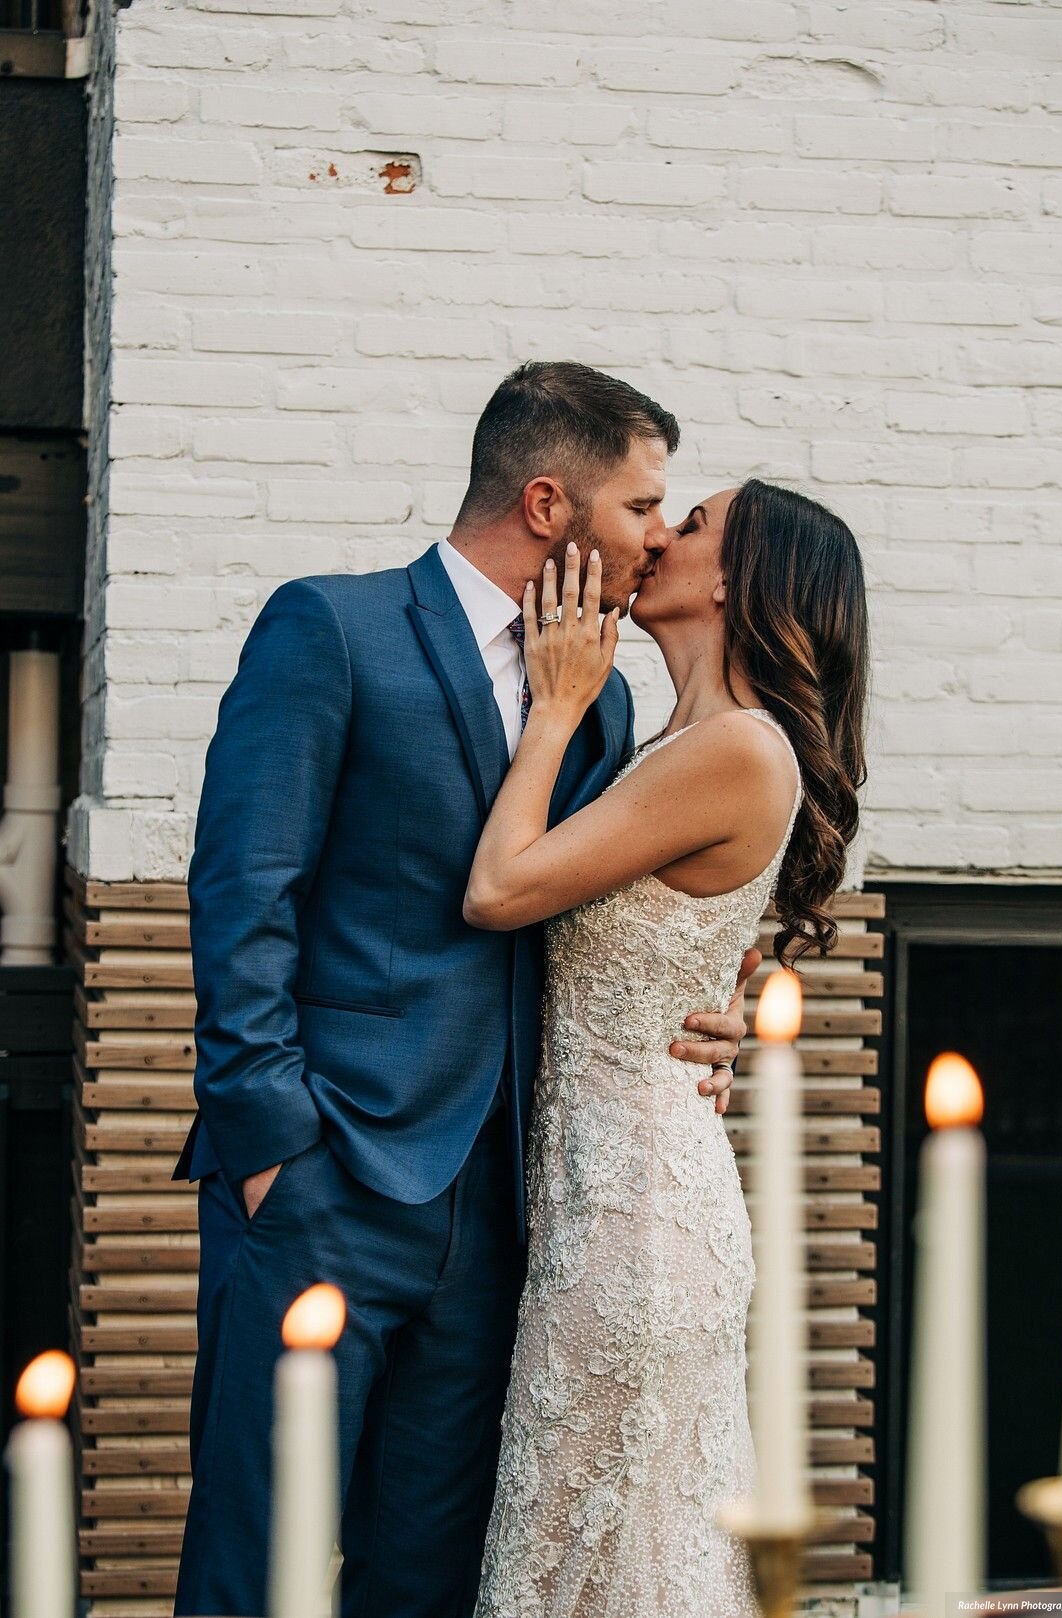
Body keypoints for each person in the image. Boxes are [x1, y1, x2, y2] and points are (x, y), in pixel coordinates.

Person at [171, 362, 755, 1618]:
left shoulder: (597, 711)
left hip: (507, 1216)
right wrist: (274, 1146)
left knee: (428, 1579)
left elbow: (609, 918)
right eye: (641, 506)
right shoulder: (332, 627)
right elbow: (242, 896)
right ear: (550, 504)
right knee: (257, 1562)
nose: (657, 535)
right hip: (325, 1181)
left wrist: (713, 1003)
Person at [469, 480, 869, 1618]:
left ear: (742, 577)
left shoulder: (739, 747)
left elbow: (501, 888)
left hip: (636, 1226)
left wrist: (551, 709)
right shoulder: (675, 739)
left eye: (690, 524)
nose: (657, 537)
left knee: (595, 1563)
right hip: (600, 1195)